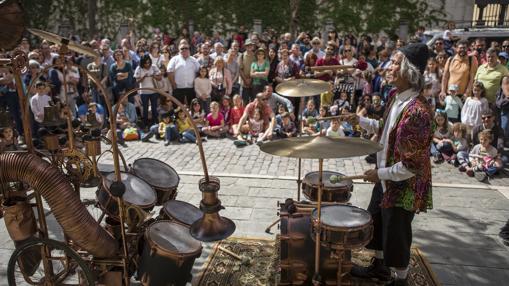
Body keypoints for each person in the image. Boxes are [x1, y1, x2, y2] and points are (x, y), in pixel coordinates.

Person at [347, 43, 433, 286]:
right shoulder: (396, 97)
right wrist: (360, 120)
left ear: (409, 72)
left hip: (403, 185)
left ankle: (400, 279)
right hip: (386, 177)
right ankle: (380, 268)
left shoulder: (417, 113)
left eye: (395, 63)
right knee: (377, 221)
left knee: (397, 233)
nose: (388, 67)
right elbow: (386, 129)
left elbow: (411, 166)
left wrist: (379, 173)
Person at [134, 54, 161, 128]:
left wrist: (153, 76)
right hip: (143, 92)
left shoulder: (154, 66)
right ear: (142, 63)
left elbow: (160, 78)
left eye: (149, 62)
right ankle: (145, 124)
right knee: (145, 108)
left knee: (154, 107)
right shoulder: (139, 68)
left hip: (154, 91)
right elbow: (137, 81)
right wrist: (144, 77)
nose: (147, 64)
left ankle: (155, 122)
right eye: (145, 63)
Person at [239, 39, 256, 104]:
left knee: (253, 101)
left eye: (251, 45)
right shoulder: (242, 56)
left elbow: (256, 69)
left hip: (254, 81)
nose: (249, 46)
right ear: (245, 46)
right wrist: (245, 80)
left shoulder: (255, 56)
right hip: (244, 82)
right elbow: (240, 69)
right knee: (244, 101)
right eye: (248, 45)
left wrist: (251, 79)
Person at [496, 75, 509, 145]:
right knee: (503, 128)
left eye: (507, 82)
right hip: (502, 112)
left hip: (506, 111)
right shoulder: (500, 91)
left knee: (505, 127)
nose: (506, 84)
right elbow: (499, 103)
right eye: (504, 82)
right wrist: (507, 99)